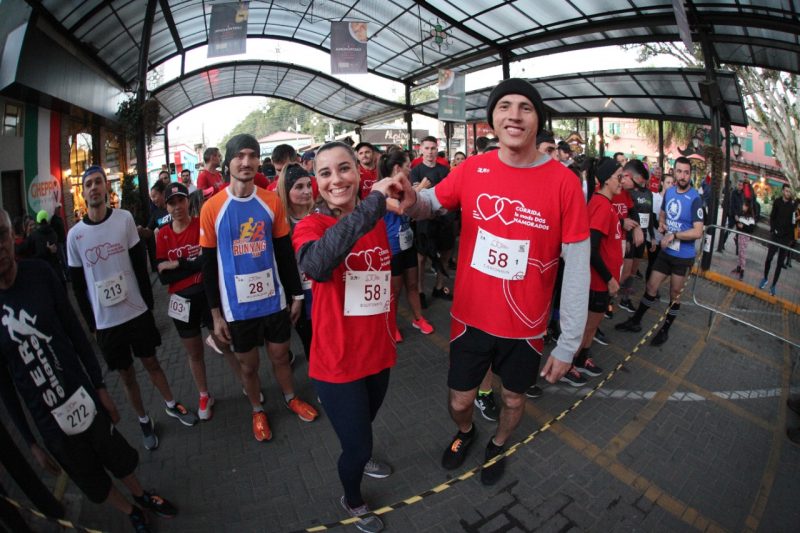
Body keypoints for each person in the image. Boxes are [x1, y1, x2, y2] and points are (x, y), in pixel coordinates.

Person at [402, 78, 590, 485]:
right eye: (505, 106)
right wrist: (407, 199)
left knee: (514, 397)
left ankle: (500, 443)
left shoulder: (564, 183)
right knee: (460, 399)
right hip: (471, 316)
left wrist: (569, 341)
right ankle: (467, 432)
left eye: (525, 107)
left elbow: (577, 263)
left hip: (526, 325)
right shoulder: (473, 168)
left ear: (538, 119)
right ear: (492, 119)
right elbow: (430, 203)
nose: (514, 115)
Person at [0, 209, 177, 532]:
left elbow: (75, 333)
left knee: (114, 453)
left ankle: (141, 495)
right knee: (89, 475)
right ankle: (129, 511)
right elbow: (5, 387)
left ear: (12, 236)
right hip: (49, 419)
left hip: (82, 394)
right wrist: (32, 443)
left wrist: (100, 386)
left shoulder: (39, 274)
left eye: (1, 234)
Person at [293, 141, 402, 533]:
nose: (336, 179)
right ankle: (352, 499)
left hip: (377, 355)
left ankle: (363, 452)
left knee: (364, 428)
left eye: (344, 169)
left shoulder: (378, 217)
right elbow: (319, 264)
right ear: (316, 184)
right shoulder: (311, 227)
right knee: (355, 446)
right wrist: (373, 204)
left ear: (358, 172)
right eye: (325, 173)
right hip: (337, 364)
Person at [67, 166, 197, 451]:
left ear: (106, 188)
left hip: (136, 312)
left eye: (98, 182)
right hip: (106, 323)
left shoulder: (124, 219)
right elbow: (78, 286)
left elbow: (140, 264)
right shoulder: (74, 235)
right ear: (84, 191)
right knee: (126, 375)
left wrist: (149, 304)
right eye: (88, 184)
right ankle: (142, 419)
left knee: (151, 362)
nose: (94, 188)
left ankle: (171, 404)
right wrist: (92, 323)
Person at [199, 134, 317, 443]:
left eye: (252, 155)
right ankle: (256, 409)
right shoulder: (212, 208)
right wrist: (215, 314)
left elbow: (284, 254)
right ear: (228, 163)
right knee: (248, 366)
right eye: (240, 156)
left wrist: (296, 295)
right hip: (237, 308)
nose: (247, 161)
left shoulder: (271, 201)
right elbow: (208, 266)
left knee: (280, 356)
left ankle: (291, 398)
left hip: (273, 301)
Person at [156, 182, 243, 421]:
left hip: (207, 297)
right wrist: (191, 265)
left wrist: (180, 264)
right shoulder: (162, 234)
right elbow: (164, 277)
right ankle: (204, 394)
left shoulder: (200, 224)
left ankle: (247, 383)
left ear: (188, 201)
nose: (177, 207)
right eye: (171, 203)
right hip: (181, 303)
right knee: (194, 353)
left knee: (224, 343)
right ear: (166, 207)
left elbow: (209, 261)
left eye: (180, 201)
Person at [615, 157, 704, 346]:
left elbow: (698, 231)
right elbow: (662, 214)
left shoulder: (695, 198)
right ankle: (636, 321)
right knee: (651, 287)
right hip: (666, 251)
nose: (682, 176)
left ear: (690, 175)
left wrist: (675, 235)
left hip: (683, 256)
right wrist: (662, 224)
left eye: (686, 172)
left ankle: (665, 330)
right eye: (679, 171)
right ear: (673, 172)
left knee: (674, 293)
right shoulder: (670, 193)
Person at [566, 159, 624, 386]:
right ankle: (568, 364)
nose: (622, 181)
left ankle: (582, 358)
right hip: (598, 281)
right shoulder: (600, 205)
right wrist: (609, 278)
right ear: (606, 180)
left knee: (592, 325)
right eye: (619, 177)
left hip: (603, 281)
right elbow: (591, 248)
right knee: (587, 326)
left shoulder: (606, 204)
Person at [378, 149, 434, 342]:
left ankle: (418, 319)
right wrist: (420, 189)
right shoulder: (383, 187)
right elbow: (399, 207)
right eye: (408, 165)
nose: (410, 169)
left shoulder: (405, 184)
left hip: (408, 243)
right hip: (392, 248)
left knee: (412, 284)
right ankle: (391, 325)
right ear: (397, 168)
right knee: (394, 290)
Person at [275, 163, 315, 361]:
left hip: (324, 290)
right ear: (286, 190)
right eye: (299, 187)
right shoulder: (280, 224)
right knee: (311, 345)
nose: (307, 191)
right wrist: (294, 297)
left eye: (308, 185)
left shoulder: (320, 214)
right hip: (300, 295)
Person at [410, 136, 454, 303]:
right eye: (426, 148)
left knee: (445, 254)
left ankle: (438, 287)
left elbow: (450, 193)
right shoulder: (415, 171)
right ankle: (420, 291)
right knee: (421, 258)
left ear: (437, 150)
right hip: (424, 220)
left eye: (433, 148)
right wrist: (421, 187)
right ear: (421, 150)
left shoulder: (444, 170)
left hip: (443, 219)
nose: (430, 152)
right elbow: (414, 196)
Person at [618, 160, 654, 312]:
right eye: (637, 184)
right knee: (620, 274)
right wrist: (623, 224)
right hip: (618, 240)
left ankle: (620, 300)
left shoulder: (635, 193)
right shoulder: (610, 188)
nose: (637, 188)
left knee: (629, 272)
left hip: (634, 237)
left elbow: (636, 213)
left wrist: (642, 230)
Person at [759, 184, 797, 295]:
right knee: (769, 258)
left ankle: (773, 285)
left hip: (785, 239)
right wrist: (773, 229)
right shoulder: (777, 202)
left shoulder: (793, 206)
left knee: (780, 263)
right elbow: (772, 217)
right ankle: (765, 278)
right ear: (782, 191)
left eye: (789, 191)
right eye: (786, 191)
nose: (787, 193)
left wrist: (790, 239)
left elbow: (793, 223)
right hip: (775, 236)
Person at [730, 199, 755, 280]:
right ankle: (739, 267)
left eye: (744, 205)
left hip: (745, 236)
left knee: (742, 252)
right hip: (740, 235)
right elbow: (738, 225)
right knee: (740, 252)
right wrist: (737, 221)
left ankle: (742, 270)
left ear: (747, 207)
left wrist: (743, 226)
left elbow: (751, 229)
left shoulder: (750, 218)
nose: (742, 206)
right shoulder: (742, 215)